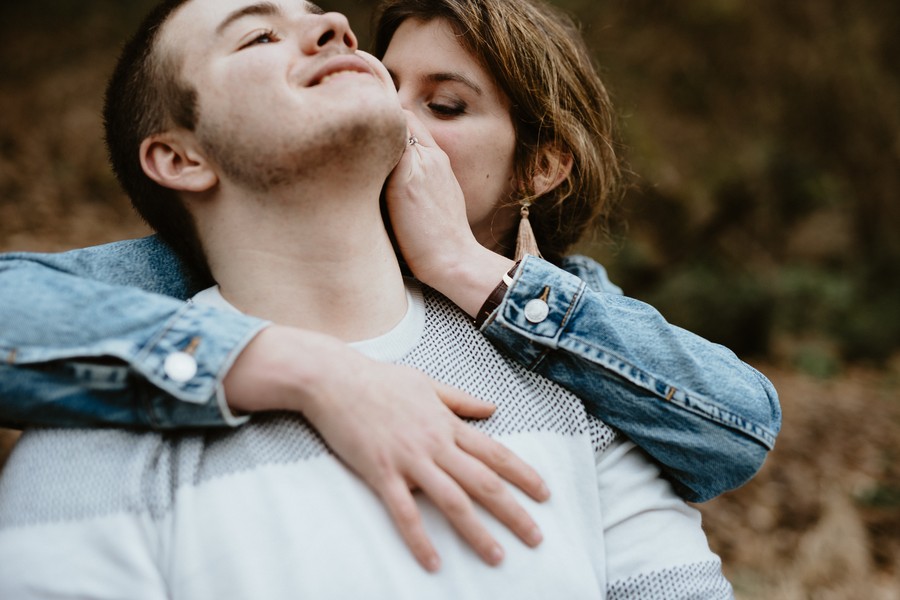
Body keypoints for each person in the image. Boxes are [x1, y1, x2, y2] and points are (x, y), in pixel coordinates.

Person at [0, 0, 779, 570]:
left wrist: (464, 268)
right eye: (386, 79)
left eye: (444, 106)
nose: (396, 113)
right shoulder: (163, 292)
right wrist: (316, 372)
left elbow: (738, 427)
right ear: (180, 159)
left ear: (538, 168)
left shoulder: (574, 377)